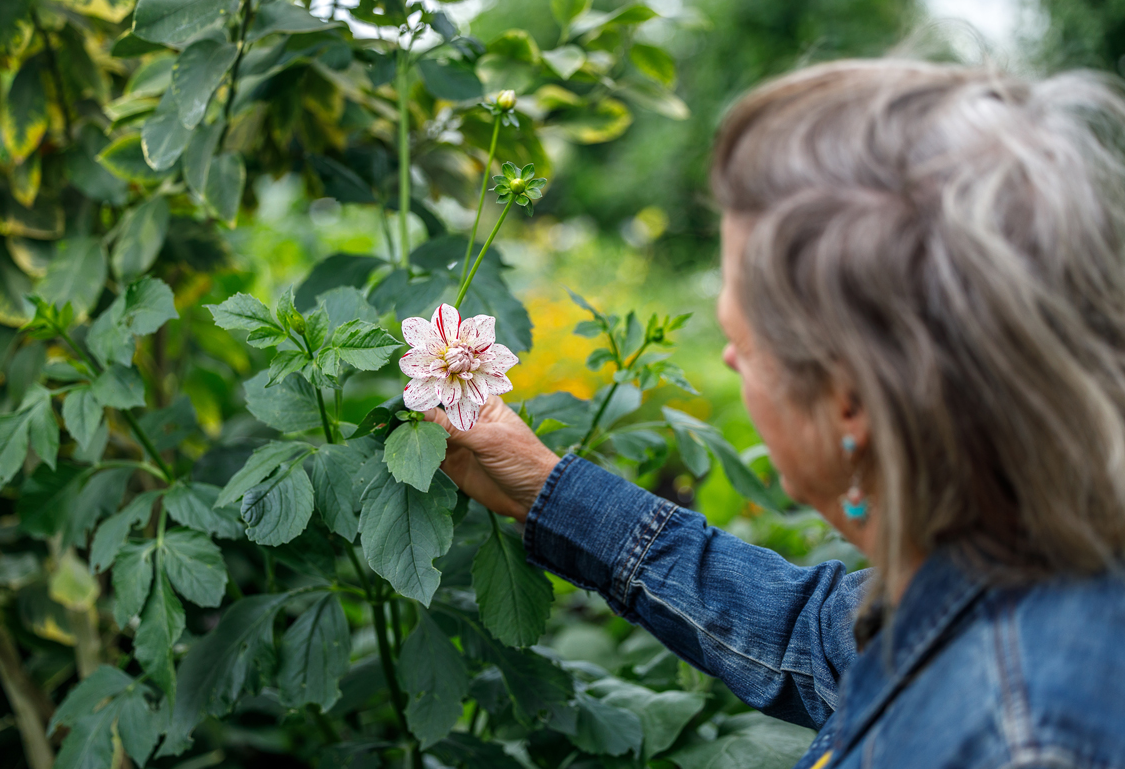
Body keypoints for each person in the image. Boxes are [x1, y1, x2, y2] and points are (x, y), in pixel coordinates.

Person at [425, 59, 1125, 769]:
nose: (727, 362)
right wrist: (547, 489)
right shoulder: (1004, 556)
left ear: (850, 403)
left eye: (742, 343)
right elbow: (815, 635)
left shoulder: (1023, 741)